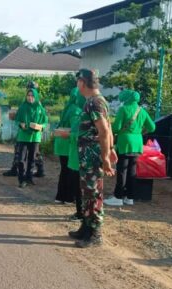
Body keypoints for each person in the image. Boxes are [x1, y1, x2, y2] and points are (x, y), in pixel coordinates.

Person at [68, 69, 116, 248]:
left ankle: (95, 233)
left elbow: (103, 130)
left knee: (93, 193)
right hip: (89, 157)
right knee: (87, 193)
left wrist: (105, 156)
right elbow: (108, 128)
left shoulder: (95, 102)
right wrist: (111, 148)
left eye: (77, 82)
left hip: (93, 157)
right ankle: (86, 228)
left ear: (82, 82)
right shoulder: (96, 101)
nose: (77, 85)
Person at [104, 89, 156, 206]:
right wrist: (139, 131)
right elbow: (152, 127)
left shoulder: (123, 109)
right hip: (137, 143)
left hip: (125, 142)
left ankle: (118, 197)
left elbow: (116, 127)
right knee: (132, 171)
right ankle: (130, 197)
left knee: (122, 171)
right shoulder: (142, 110)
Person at [3, 80, 45, 178]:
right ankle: (38, 170)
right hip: (26, 132)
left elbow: (43, 119)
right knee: (32, 153)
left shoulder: (37, 103)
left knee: (26, 152)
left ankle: (18, 170)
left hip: (33, 133)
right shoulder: (31, 101)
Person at [14, 88, 48, 188]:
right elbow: (17, 120)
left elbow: (45, 122)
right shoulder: (23, 107)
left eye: (32, 96)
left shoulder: (40, 108)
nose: (30, 97)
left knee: (32, 159)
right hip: (23, 136)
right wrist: (21, 124)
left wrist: (40, 126)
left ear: (36, 97)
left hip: (35, 136)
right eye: (28, 95)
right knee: (21, 159)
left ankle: (29, 178)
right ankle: (21, 179)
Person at [54, 87, 82, 204]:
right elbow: (75, 129)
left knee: (64, 170)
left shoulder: (68, 107)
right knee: (71, 171)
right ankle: (69, 197)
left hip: (61, 142)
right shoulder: (76, 110)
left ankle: (60, 196)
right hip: (69, 143)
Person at [65, 88, 88, 220]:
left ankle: (81, 213)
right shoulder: (84, 113)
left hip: (78, 156)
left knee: (79, 187)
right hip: (81, 156)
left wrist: (69, 135)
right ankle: (82, 213)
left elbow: (79, 135)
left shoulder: (82, 115)